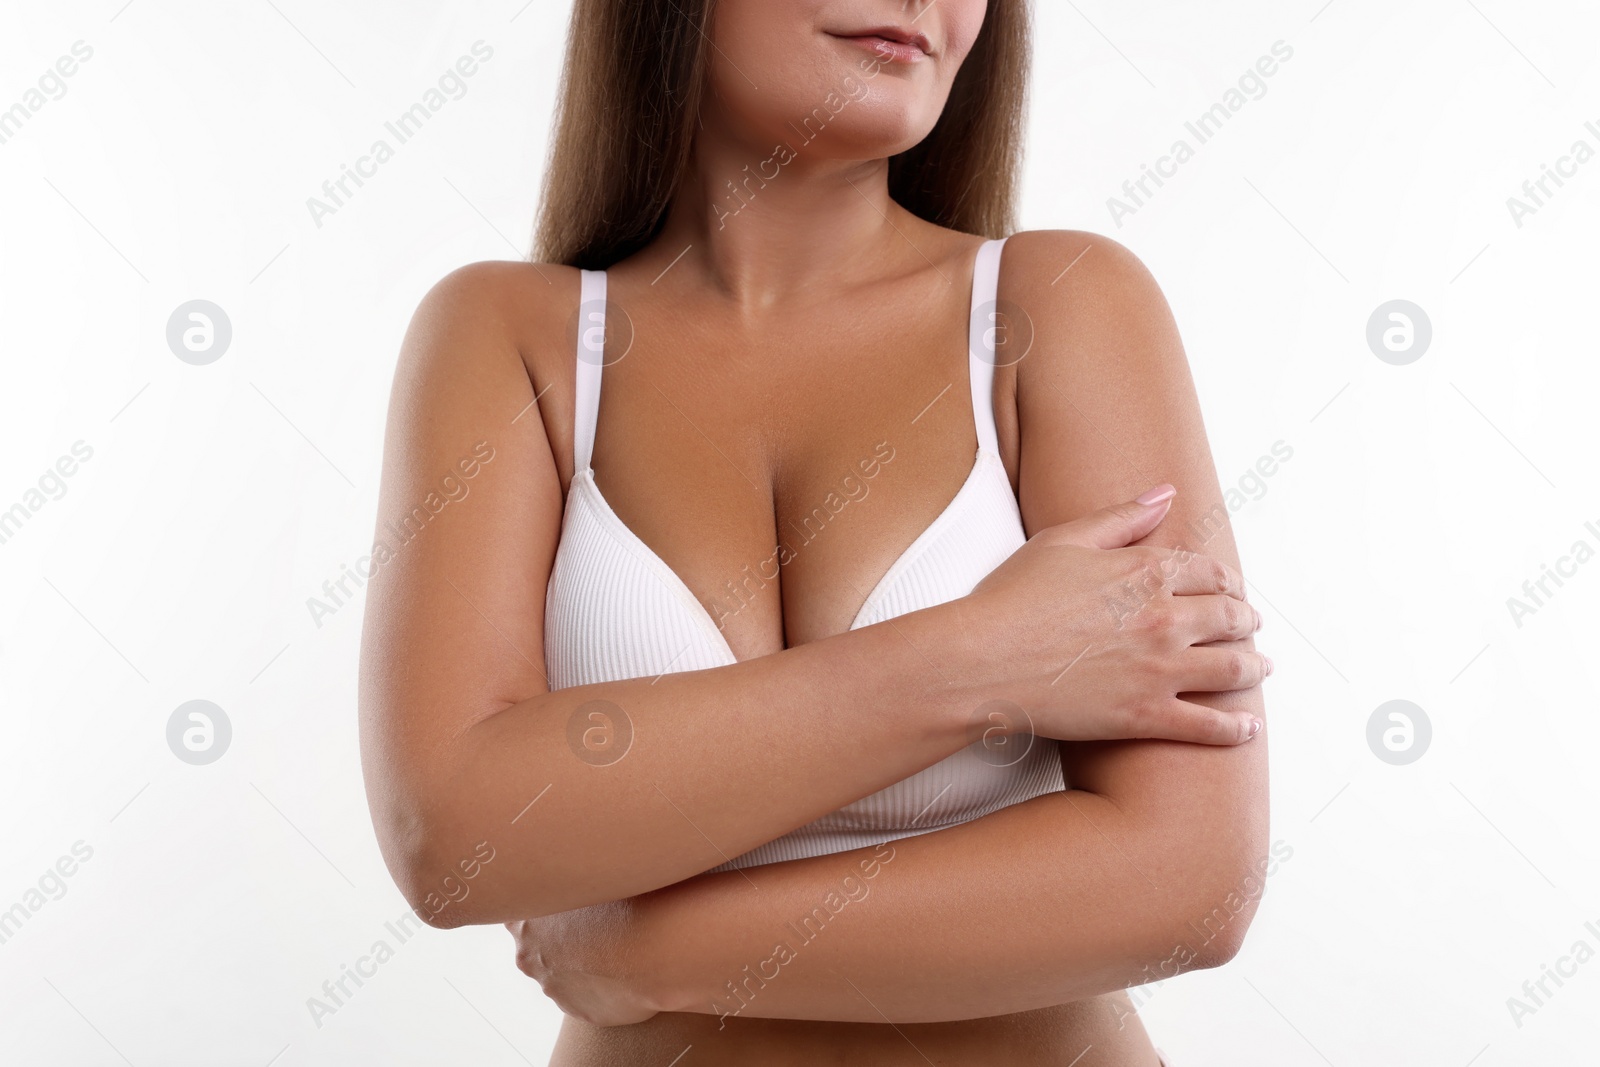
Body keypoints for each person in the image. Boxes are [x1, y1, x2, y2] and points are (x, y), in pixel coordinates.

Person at [359, 2, 1271, 1063]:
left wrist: (648, 953)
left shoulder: (1059, 305)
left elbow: (1188, 883)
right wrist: (977, 660)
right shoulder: (508, 336)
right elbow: (454, 832)